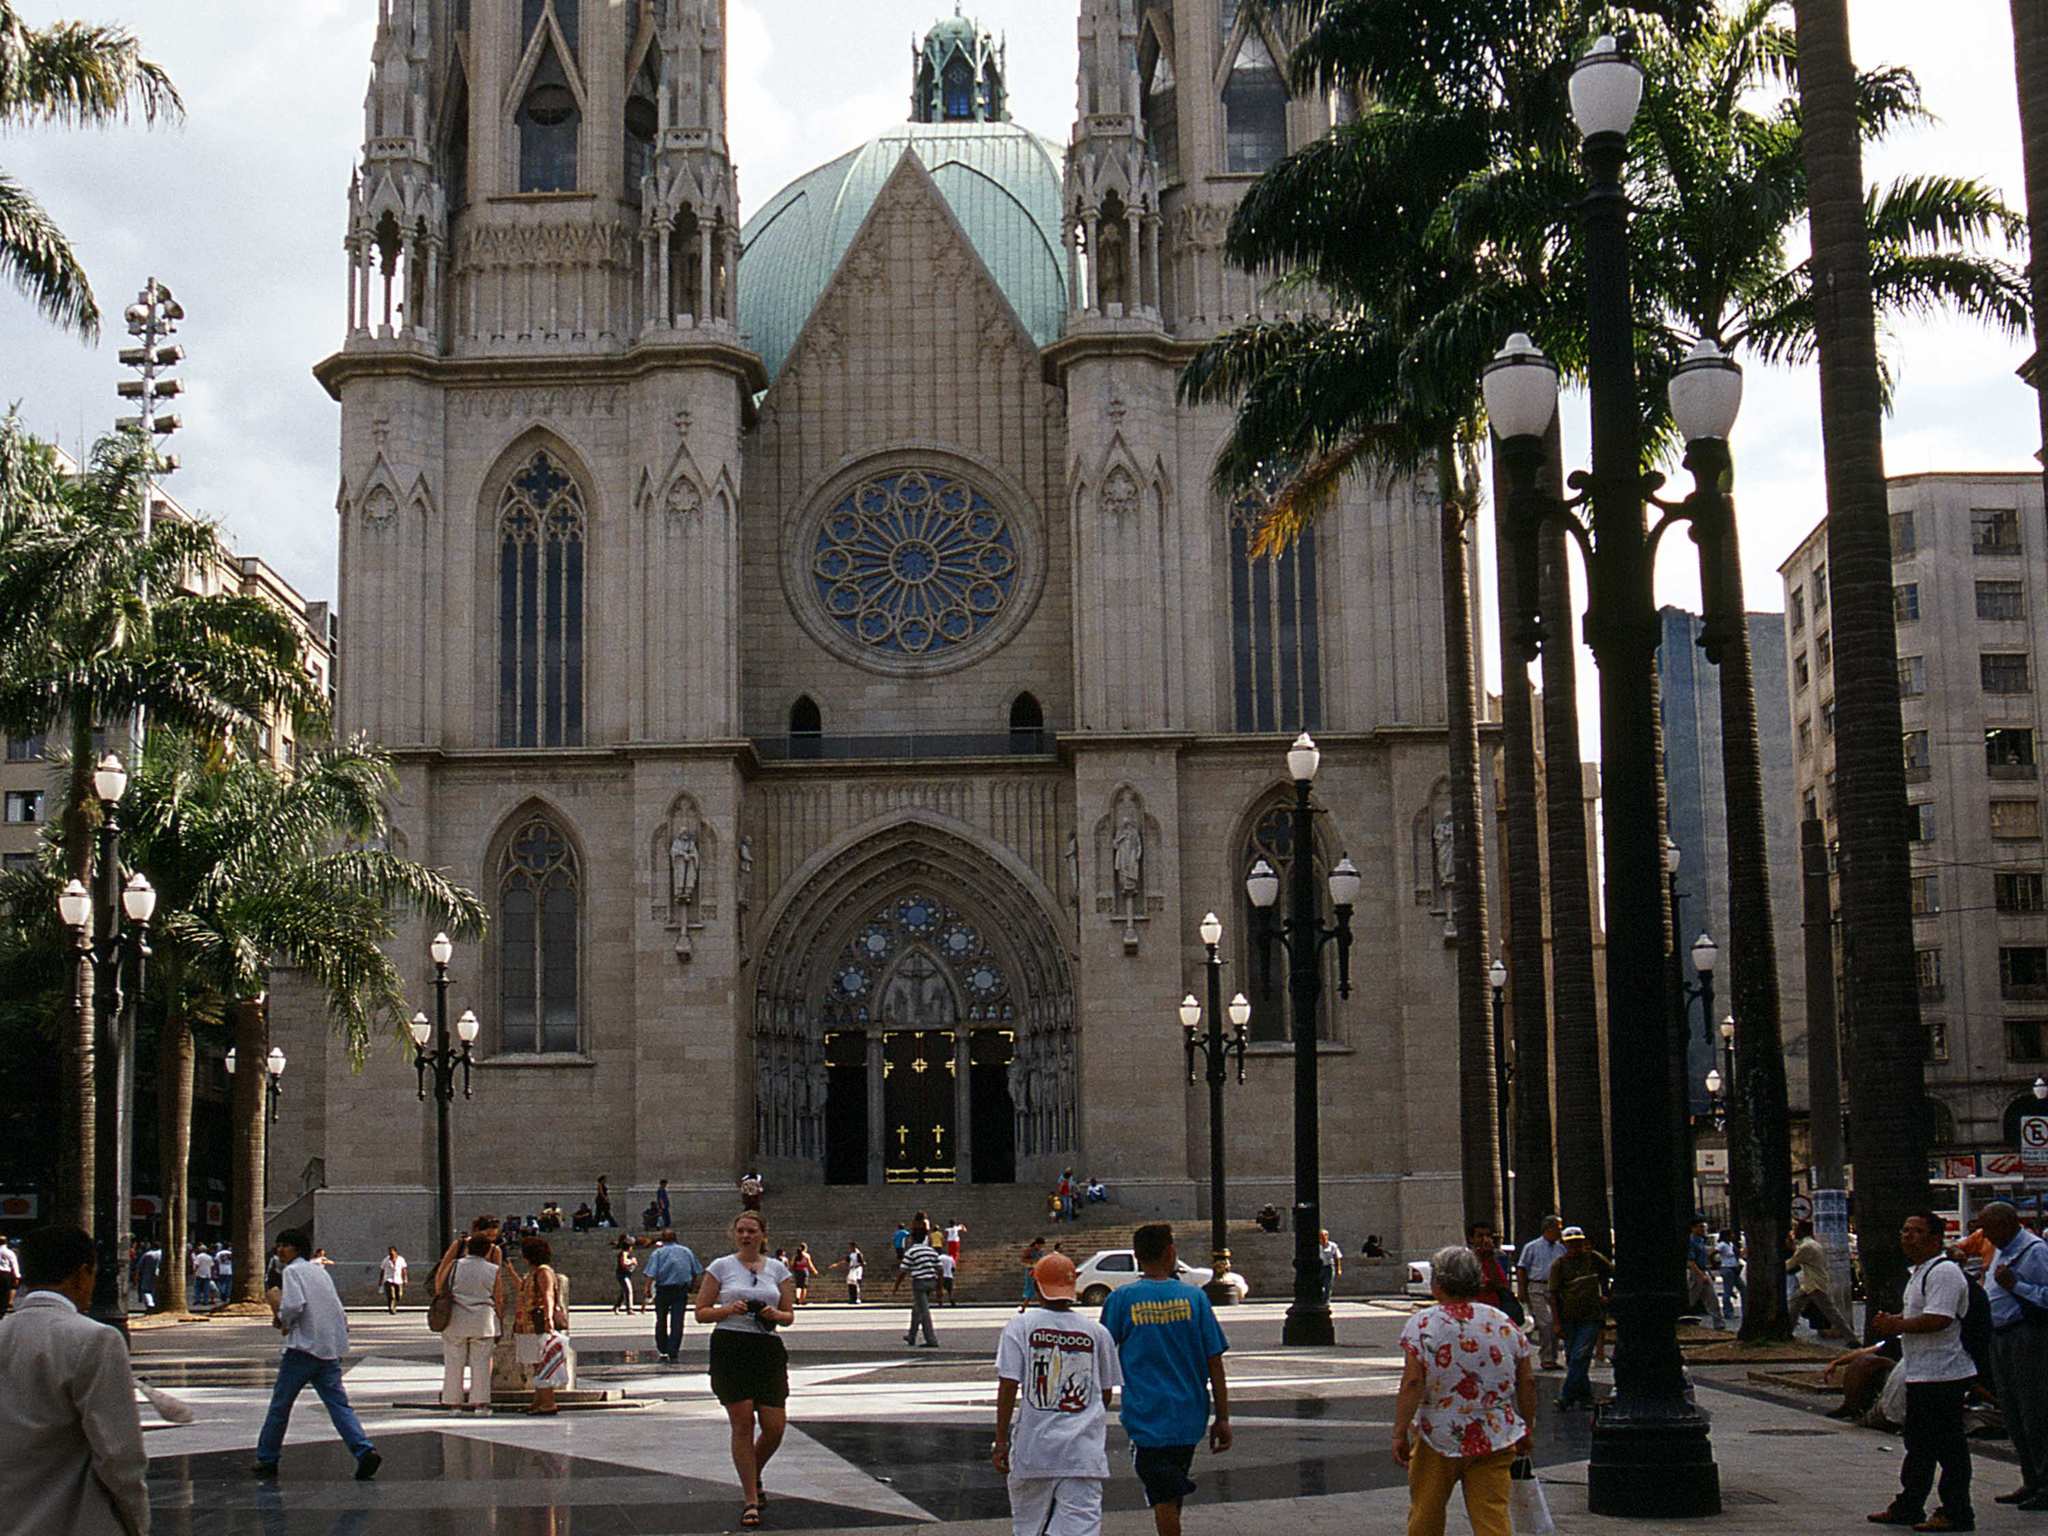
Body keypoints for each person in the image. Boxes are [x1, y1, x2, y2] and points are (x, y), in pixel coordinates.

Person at [0, 1226, 151, 1535]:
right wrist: (137, 1521)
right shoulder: (95, 1340)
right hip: (73, 1518)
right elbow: (119, 1454)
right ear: (82, 1274)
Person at [1394, 1244, 1536, 1536]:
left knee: (1426, 1512)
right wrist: (1527, 1426)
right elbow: (1527, 1381)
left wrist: (1399, 1432)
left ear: (1437, 1284)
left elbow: (1412, 1382)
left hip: (1438, 1431)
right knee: (1492, 1515)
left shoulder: (1423, 1324)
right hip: (1494, 1431)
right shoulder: (1502, 1323)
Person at [1101, 1223, 1232, 1536]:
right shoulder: (1195, 1299)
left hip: (1145, 1417)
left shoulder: (1121, 1300)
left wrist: (1098, 1406)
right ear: (1171, 1252)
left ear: (1137, 1256)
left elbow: (1102, 1358)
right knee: (1169, 1495)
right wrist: (1223, 1416)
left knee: (1162, 1498)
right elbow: (1215, 1361)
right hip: (1189, 1415)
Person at [993, 1252, 1123, 1536]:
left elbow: (1008, 1384)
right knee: (1080, 1529)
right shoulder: (1097, 1332)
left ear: (1037, 1284)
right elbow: (1104, 1394)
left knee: (1027, 1528)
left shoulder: (1020, 1325)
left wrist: (1001, 1441)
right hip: (1082, 1455)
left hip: (1033, 1450)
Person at [1869, 1211, 1977, 1531]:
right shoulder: (1919, 1273)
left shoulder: (1943, 1273)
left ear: (1934, 1238)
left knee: (1948, 1446)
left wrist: (1897, 1324)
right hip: (1921, 1371)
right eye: (1904, 1230)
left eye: (1916, 1231)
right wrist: (1896, 1320)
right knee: (1919, 1445)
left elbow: (1939, 1319)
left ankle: (1957, 1510)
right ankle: (1909, 1504)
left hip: (1943, 1373)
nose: (1907, 1236)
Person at [255, 1228, 380, 1481]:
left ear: (297, 1249)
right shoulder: (318, 1271)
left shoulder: (292, 1271)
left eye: (286, 1245)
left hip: (302, 1349)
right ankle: (363, 1450)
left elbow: (293, 1305)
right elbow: (335, 1306)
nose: (280, 1250)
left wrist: (282, 1319)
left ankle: (267, 1458)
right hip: (328, 1350)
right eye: (279, 1245)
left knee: (280, 1405)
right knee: (338, 1405)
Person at [697, 1211, 796, 1530]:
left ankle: (753, 1473)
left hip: (766, 1349)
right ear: (733, 1234)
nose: (745, 1236)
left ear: (763, 1235)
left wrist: (774, 1313)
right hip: (731, 1347)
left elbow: (789, 1315)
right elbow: (701, 1312)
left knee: (774, 1426)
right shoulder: (720, 1267)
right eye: (740, 1230)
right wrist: (728, 1309)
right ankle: (751, 1499)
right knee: (742, 1423)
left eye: (751, 1231)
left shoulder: (779, 1270)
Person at [1976, 1201, 2048, 1510]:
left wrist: (2016, 1285)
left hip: (2027, 1335)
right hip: (2001, 1335)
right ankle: (2030, 1479)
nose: (1986, 1236)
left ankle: (2045, 1482)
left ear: (2008, 1224)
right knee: (2013, 1412)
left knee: (2034, 1412)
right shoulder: (2001, 1250)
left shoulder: (2035, 1251)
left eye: (1990, 1229)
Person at [1547, 1225, 1612, 1410]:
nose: (1575, 1247)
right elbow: (1553, 1295)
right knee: (1573, 1357)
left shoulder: (1594, 1259)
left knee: (1580, 1355)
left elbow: (1611, 1272)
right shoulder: (1559, 1265)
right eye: (1571, 1244)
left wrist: (1606, 1294)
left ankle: (1566, 1396)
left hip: (1590, 1316)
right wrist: (1557, 1323)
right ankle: (1584, 1396)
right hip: (1569, 1317)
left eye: (1578, 1243)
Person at [441, 1233, 502, 1413]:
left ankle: (454, 1404)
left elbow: (441, 1286)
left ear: (468, 1248)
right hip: (482, 1319)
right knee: (482, 1363)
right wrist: (500, 1315)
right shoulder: (493, 1269)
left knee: (453, 1362)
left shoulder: (454, 1266)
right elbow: (498, 1297)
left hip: (456, 1317)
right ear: (487, 1250)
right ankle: (480, 1404)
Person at [514, 1235, 571, 1415]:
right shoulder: (533, 1273)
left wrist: (548, 1319)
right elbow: (523, 1289)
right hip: (528, 1324)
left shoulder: (544, 1272)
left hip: (538, 1322)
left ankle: (548, 1402)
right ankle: (538, 1400)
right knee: (535, 1364)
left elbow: (548, 1295)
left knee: (542, 1364)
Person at [644, 1229, 705, 1364]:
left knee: (661, 1319)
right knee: (677, 1320)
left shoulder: (658, 1253)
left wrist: (647, 1288)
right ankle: (673, 1349)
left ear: (663, 1239)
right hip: (680, 1290)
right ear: (676, 1238)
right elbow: (696, 1271)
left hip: (663, 1290)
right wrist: (694, 1285)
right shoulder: (686, 1251)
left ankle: (662, 1347)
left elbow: (651, 1273)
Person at [1514, 1216, 1566, 1370]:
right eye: (1558, 1228)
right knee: (1546, 1322)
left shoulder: (1560, 1248)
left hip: (1555, 1289)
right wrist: (1522, 1290)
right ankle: (1546, 1357)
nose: (1560, 1231)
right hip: (1537, 1287)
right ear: (1549, 1229)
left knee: (1556, 1322)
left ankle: (1553, 1357)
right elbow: (1522, 1268)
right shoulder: (1532, 1247)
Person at [1788, 1219, 1833, 1335]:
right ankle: (1788, 1331)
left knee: (1832, 1312)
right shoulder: (1814, 1244)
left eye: (1796, 1229)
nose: (1794, 1231)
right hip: (1812, 1283)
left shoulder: (1806, 1247)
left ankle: (1851, 1338)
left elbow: (1793, 1262)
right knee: (1794, 1303)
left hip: (1813, 1284)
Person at [898, 1234, 942, 1347]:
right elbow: (940, 1268)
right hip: (931, 1281)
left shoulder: (911, 1252)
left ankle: (931, 1340)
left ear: (912, 1239)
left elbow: (903, 1270)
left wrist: (896, 1285)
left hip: (919, 1283)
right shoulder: (931, 1251)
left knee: (923, 1311)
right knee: (917, 1309)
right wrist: (939, 1288)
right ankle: (911, 1336)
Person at [1468, 1224, 1518, 1318]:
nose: (1485, 1240)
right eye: (1480, 1236)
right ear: (1471, 1239)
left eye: (1488, 1236)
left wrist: (1489, 1256)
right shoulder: (1466, 1259)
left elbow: (1503, 1284)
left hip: (1494, 1308)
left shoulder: (1497, 1257)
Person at [1686, 1219, 1725, 1329]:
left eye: (1704, 1226)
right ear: (1693, 1228)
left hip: (1703, 1271)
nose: (1703, 1229)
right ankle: (1682, 1319)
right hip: (1696, 1273)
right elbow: (1690, 1262)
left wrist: (1708, 1272)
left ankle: (1719, 1324)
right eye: (1700, 1227)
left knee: (1712, 1299)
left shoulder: (1701, 1241)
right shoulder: (1692, 1241)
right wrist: (1701, 1275)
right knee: (1691, 1298)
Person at [1717, 1229, 1745, 1318]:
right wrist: (1718, 1264)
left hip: (1734, 1268)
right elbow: (1714, 1253)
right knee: (1727, 1291)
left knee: (1743, 1289)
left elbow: (1738, 1253)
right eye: (1731, 1234)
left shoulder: (1730, 1244)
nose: (1733, 1236)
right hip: (1727, 1268)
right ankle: (1728, 1313)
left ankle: (1745, 1309)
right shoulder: (1722, 1245)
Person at [613, 1235, 640, 1314]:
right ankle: (629, 1309)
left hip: (626, 1274)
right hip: (622, 1275)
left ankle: (616, 1307)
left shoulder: (627, 1253)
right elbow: (624, 1263)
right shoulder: (624, 1253)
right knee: (628, 1290)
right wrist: (632, 1262)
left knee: (624, 1291)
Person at [132, 1242, 161, 1312]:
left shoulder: (147, 1254)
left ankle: (150, 1305)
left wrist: (136, 1278)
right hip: (160, 1276)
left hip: (147, 1276)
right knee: (156, 1291)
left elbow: (139, 1267)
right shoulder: (162, 1254)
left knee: (146, 1291)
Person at [1318, 1229, 1343, 1304]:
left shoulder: (1333, 1245)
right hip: (1319, 1267)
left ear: (1327, 1236)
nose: (1322, 1238)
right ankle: (1320, 1299)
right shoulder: (1316, 1246)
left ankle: (1326, 1301)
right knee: (1319, 1284)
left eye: (1324, 1236)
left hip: (1329, 1267)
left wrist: (1339, 1269)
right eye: (1321, 1236)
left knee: (1328, 1285)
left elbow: (1337, 1257)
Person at [1021, 1236, 1048, 1306]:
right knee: (1031, 1288)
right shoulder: (1029, 1250)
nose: (1040, 1247)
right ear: (1036, 1244)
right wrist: (1033, 1261)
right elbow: (1023, 1260)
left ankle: (1043, 1305)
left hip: (1039, 1271)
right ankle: (1024, 1305)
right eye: (1039, 1245)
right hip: (1031, 1271)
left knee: (1040, 1288)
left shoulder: (1041, 1251)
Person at [380, 1246, 408, 1313]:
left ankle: (395, 1304)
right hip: (389, 1279)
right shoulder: (386, 1260)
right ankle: (392, 1308)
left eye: (392, 1252)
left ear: (395, 1252)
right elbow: (382, 1270)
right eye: (389, 1252)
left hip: (398, 1279)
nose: (390, 1253)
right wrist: (381, 1280)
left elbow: (404, 1270)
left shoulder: (401, 1259)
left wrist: (405, 1279)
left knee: (399, 1295)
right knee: (392, 1295)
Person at [192, 1243, 217, 1310]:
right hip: (207, 1274)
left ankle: (197, 1300)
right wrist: (212, 1274)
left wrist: (194, 1272)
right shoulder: (209, 1257)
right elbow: (212, 1266)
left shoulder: (198, 1256)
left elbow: (196, 1265)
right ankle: (205, 1301)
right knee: (206, 1289)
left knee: (197, 1288)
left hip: (199, 1274)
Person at [0, 1232, 18, 1315]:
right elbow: (14, 1264)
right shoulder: (9, 1252)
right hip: (5, 1274)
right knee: (5, 1292)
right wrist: (17, 1276)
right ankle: (3, 1309)